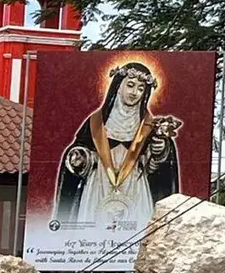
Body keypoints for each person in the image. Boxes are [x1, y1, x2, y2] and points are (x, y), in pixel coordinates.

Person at [53, 62, 182, 227]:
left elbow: (155, 171)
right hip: (99, 185)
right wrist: (81, 158)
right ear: (118, 86)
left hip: (135, 188)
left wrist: (160, 152)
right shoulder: (96, 122)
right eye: (130, 85)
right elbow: (80, 152)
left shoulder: (149, 126)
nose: (134, 93)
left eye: (141, 89)